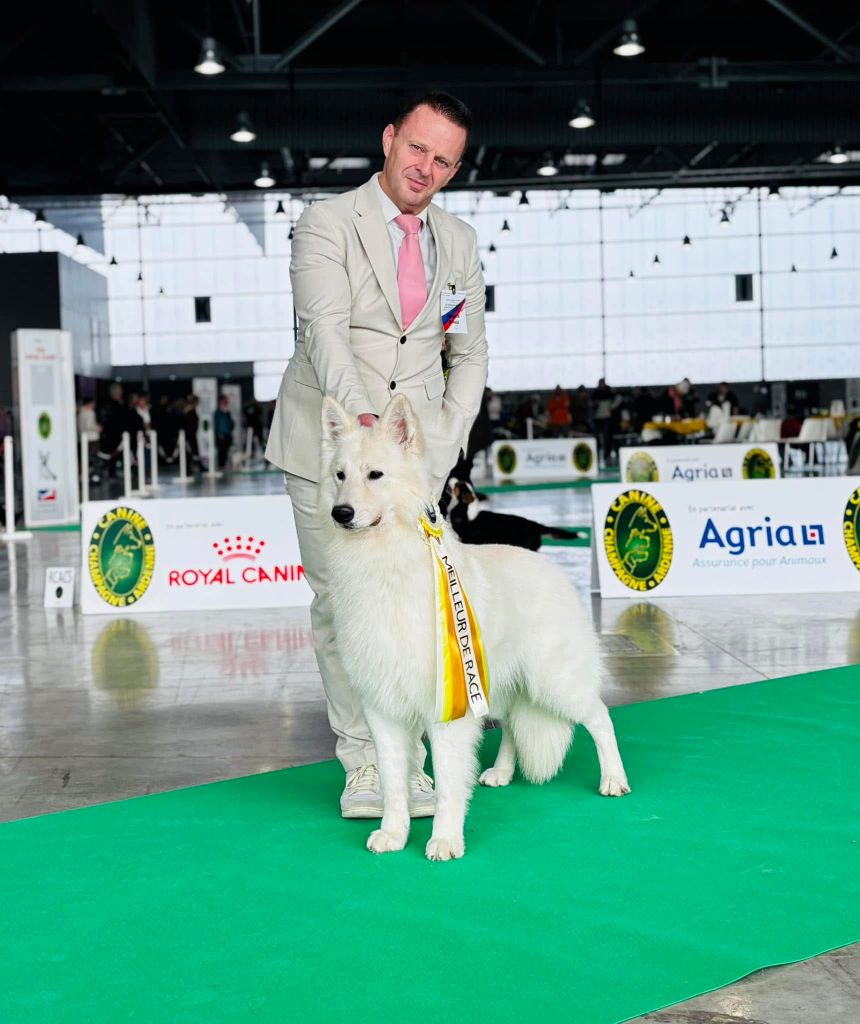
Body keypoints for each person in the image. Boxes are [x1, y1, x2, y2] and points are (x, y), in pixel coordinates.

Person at [265, 91, 488, 819]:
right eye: (417, 148)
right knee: (339, 604)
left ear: (454, 170)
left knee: (414, 605)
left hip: (410, 458)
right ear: (390, 139)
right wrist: (362, 432)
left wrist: (444, 442)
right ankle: (363, 763)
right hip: (329, 446)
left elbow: (469, 352)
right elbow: (322, 330)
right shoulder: (326, 225)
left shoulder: (458, 245)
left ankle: (413, 762)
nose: (426, 167)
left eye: (443, 159)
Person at [214, 395, 234, 470]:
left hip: (227, 434)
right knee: (221, 451)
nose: (227, 402)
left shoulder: (227, 412)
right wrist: (219, 434)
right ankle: (220, 465)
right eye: (225, 401)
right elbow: (216, 424)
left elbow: (230, 423)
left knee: (226, 450)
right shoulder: (217, 413)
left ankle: (224, 465)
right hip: (221, 435)